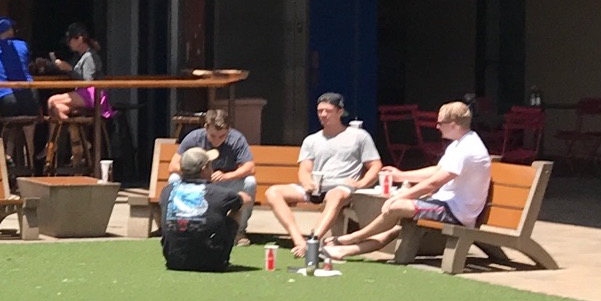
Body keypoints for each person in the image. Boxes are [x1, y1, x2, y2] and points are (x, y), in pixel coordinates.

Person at [325, 101, 492, 261]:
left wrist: (403, 197)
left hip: (456, 212)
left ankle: (352, 238)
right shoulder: (459, 144)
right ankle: (345, 250)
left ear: (454, 124)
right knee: (400, 226)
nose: (437, 126)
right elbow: (436, 171)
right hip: (448, 204)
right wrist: (401, 175)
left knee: (396, 206)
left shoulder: (468, 149)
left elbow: (435, 182)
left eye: (440, 123)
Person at [266, 92, 380, 258]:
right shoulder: (312, 140)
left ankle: (313, 240)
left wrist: (361, 183)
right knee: (273, 192)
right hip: (316, 186)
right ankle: (298, 239)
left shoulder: (359, 136)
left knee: (336, 194)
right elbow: (305, 168)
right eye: (320, 111)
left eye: (328, 111)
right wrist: (306, 182)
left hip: (342, 187)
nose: (323, 115)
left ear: (340, 112)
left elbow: (375, 165)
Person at [160, 148, 251, 272]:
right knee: (236, 208)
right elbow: (246, 200)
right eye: (210, 165)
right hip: (211, 263)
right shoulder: (220, 194)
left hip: (174, 261)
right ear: (204, 169)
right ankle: (224, 253)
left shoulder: (167, 191)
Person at [174, 107, 256, 241]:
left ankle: (239, 232)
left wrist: (227, 176)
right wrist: (196, 175)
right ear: (206, 127)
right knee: (174, 179)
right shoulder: (194, 137)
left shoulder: (237, 139)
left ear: (228, 130)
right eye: (212, 136)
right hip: (197, 183)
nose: (217, 140)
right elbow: (173, 165)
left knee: (250, 182)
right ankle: (182, 227)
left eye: (222, 136)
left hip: (226, 182)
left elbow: (250, 167)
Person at [45, 23, 113, 121]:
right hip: (83, 93)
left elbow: (87, 81)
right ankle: (73, 134)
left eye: (70, 40)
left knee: (52, 101)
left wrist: (69, 69)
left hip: (93, 94)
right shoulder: (79, 56)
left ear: (79, 39)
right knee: (57, 108)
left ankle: (70, 130)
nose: (68, 44)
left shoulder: (90, 56)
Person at [0, 18, 37, 116]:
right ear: (10, 30)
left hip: (5, 95)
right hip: (29, 91)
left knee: (10, 125)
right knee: (30, 120)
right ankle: (30, 132)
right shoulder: (22, 44)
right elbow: (28, 66)